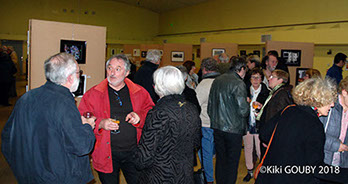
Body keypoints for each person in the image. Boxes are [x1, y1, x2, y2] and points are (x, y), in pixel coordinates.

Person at [1, 53, 96, 183]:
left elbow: (7, 138)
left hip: (29, 176)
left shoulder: (26, 97)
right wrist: (87, 126)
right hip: (59, 178)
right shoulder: (65, 104)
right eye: (79, 72)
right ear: (69, 78)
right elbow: (82, 146)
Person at [78, 54, 154, 184]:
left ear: (127, 73)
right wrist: (101, 123)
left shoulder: (140, 92)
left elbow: (152, 113)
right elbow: (82, 119)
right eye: (109, 68)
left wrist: (139, 116)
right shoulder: (93, 94)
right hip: (106, 153)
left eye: (118, 69)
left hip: (134, 152)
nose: (112, 73)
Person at [256, 78, 337, 184]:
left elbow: (264, 135)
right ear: (319, 99)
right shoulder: (314, 125)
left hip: (270, 176)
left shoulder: (288, 110)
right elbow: (316, 168)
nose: (332, 105)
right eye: (329, 100)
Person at [135, 66, 201, 183]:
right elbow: (196, 141)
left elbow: (144, 156)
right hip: (185, 173)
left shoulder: (158, 112)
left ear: (158, 86)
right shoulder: (191, 108)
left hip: (161, 175)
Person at [208, 57, 249, 184]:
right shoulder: (238, 83)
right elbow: (243, 111)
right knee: (232, 163)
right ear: (242, 69)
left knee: (220, 160)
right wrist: (248, 103)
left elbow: (210, 105)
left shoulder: (217, 80)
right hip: (233, 129)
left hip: (217, 126)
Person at [256, 69, 293, 158]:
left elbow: (278, 119)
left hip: (272, 139)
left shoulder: (281, 94)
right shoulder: (276, 93)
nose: (269, 79)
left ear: (280, 80)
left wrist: (268, 139)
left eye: (272, 77)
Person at [195, 57, 220, 184]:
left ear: (204, 69)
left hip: (205, 123)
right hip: (220, 124)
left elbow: (196, 104)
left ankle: (208, 179)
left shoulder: (203, 85)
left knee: (206, 154)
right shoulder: (222, 82)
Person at [319, 77, 348, 184]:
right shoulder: (328, 106)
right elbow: (316, 134)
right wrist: (336, 145)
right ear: (344, 92)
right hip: (324, 161)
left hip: (342, 164)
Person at [243, 68, 270, 182]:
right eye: (253, 77)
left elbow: (269, 110)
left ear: (262, 79)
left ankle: (262, 171)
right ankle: (249, 171)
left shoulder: (266, 92)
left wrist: (261, 107)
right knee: (248, 148)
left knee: (260, 150)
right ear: (250, 79)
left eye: (258, 77)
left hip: (259, 124)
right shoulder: (244, 90)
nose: (255, 80)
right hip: (247, 122)